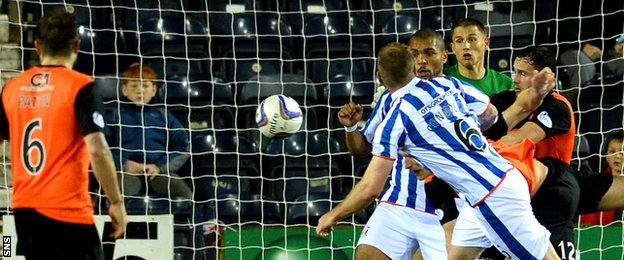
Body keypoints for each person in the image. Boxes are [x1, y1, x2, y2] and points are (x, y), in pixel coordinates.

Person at [318, 42, 560, 260]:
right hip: (484, 192)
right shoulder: (448, 84)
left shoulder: (396, 119)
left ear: (380, 77)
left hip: (493, 196)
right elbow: (491, 116)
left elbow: (371, 188)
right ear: (413, 67)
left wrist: (334, 215)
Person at [0, 9, 127, 259]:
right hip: (67, 210)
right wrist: (116, 201)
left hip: (25, 212)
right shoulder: (80, 86)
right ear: (77, 45)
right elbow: (97, 149)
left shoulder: (11, 88)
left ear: (37, 46)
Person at [106, 63, 192, 200]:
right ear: (124, 90)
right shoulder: (115, 116)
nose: (140, 90)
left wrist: (160, 166)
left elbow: (184, 146)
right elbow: (102, 148)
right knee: (117, 197)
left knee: (185, 196)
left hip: (158, 172)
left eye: (145, 85)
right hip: (125, 172)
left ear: (154, 90)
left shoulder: (164, 116)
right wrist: (122, 164)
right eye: (134, 86)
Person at [446, 18, 515, 96]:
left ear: (486, 43)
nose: (466, 46)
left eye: (472, 39)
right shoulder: (441, 81)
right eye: (459, 41)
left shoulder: (505, 84)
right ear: (453, 48)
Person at [580, 130, 624, 225]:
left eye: (622, 151)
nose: (617, 156)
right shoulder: (597, 183)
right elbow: (588, 223)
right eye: (612, 151)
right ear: (606, 156)